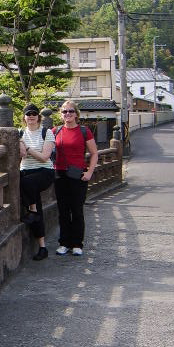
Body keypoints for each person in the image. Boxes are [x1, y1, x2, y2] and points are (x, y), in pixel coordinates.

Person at [53, 100, 98, 257]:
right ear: (61, 114)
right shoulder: (55, 131)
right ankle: (64, 243)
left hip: (78, 175)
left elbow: (94, 153)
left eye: (71, 111)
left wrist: (90, 172)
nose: (68, 114)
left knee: (77, 210)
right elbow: (44, 148)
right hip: (60, 174)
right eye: (65, 112)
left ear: (76, 114)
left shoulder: (84, 131)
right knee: (63, 210)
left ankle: (77, 243)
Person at [19, 103, 55, 261]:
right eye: (28, 114)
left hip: (44, 172)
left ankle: (32, 210)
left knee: (26, 183)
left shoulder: (47, 133)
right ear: (24, 117)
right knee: (26, 183)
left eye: (34, 113)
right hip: (27, 172)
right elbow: (21, 155)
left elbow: (44, 157)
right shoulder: (19, 133)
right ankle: (42, 247)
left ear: (39, 117)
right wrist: (22, 145)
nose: (31, 116)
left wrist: (27, 148)